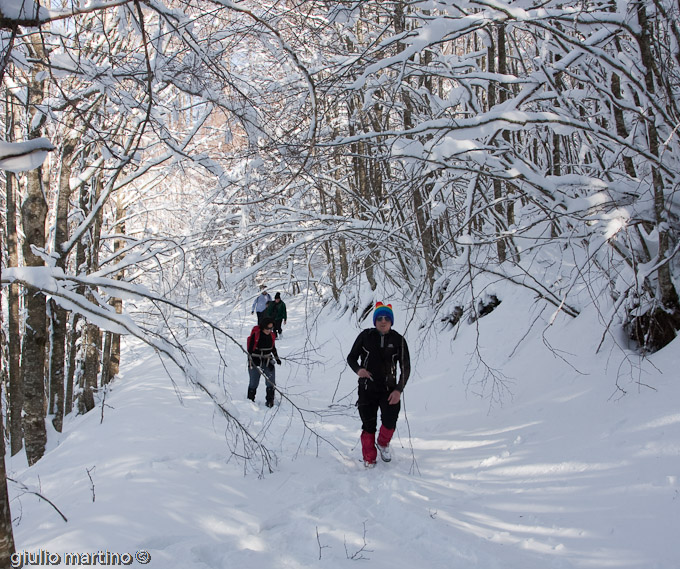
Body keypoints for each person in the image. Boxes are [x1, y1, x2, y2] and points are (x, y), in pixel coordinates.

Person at [346, 302, 411, 468]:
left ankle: (383, 443)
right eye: (380, 318)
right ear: (375, 321)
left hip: (389, 390)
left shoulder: (398, 340)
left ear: (391, 322)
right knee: (368, 425)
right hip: (367, 389)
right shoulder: (365, 336)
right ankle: (369, 457)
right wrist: (359, 370)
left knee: (390, 422)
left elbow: (406, 367)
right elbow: (351, 358)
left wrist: (398, 390)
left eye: (387, 319)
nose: (383, 321)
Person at [246, 317, 281, 407]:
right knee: (254, 382)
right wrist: (252, 360)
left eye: (271, 328)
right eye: (267, 328)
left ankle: (270, 401)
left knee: (271, 381)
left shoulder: (272, 336)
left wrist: (277, 359)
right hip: (255, 360)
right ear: (263, 327)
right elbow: (250, 350)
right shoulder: (256, 335)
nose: (269, 330)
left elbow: (273, 348)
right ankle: (250, 401)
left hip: (267, 359)